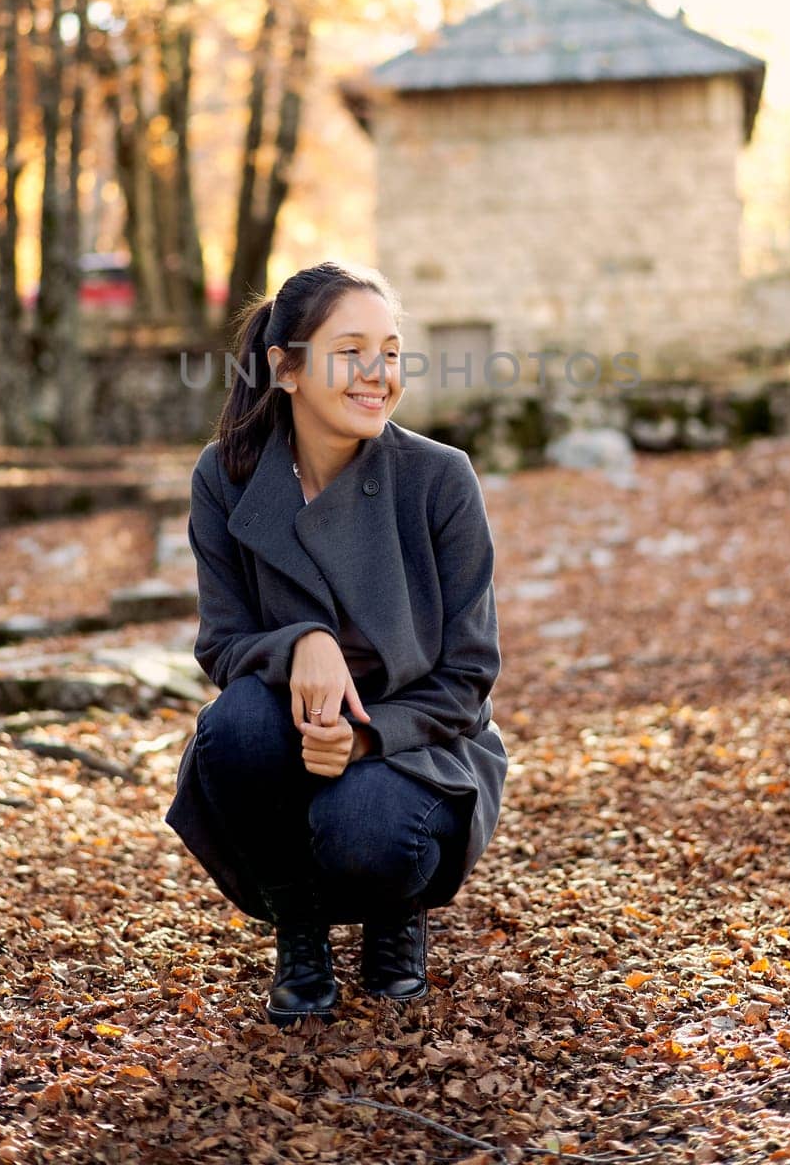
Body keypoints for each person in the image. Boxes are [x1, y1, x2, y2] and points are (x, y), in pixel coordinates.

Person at [164, 259, 507, 1025]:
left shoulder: (439, 479)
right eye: (351, 351)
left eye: (389, 352)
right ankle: (300, 930)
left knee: (366, 832)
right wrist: (300, 644)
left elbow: (469, 677)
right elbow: (222, 646)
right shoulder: (227, 477)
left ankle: (397, 914)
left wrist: (365, 738)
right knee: (233, 727)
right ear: (285, 368)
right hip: (292, 727)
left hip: (419, 740)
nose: (377, 374)